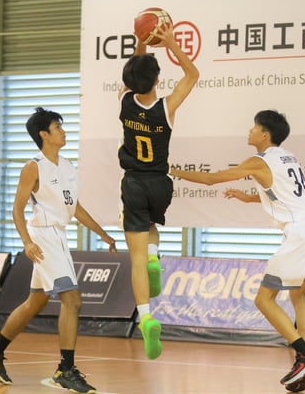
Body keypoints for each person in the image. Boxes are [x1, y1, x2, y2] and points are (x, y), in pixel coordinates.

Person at [169, 110, 305, 392]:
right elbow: (286, 193)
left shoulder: (259, 161)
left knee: (264, 300)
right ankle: (303, 360)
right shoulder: (288, 157)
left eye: (254, 127)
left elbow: (212, 179)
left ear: (264, 135)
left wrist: (172, 171)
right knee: (299, 297)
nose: (249, 131)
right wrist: (248, 197)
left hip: (301, 233)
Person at [0, 107, 117, 393]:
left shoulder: (67, 166)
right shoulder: (33, 166)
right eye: (58, 127)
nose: (63, 131)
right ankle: (65, 369)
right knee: (73, 299)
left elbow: (74, 208)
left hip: (59, 235)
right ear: (44, 135)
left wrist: (103, 234)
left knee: (35, 302)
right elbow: (17, 209)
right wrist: (27, 241)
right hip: (43, 236)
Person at [118, 21, 199, 360]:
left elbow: (132, 77)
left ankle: (147, 318)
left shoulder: (124, 101)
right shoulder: (166, 107)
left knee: (134, 256)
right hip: (161, 184)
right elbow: (192, 75)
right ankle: (154, 256)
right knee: (151, 227)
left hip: (134, 181)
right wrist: (170, 43)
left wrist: (141, 43)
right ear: (156, 80)